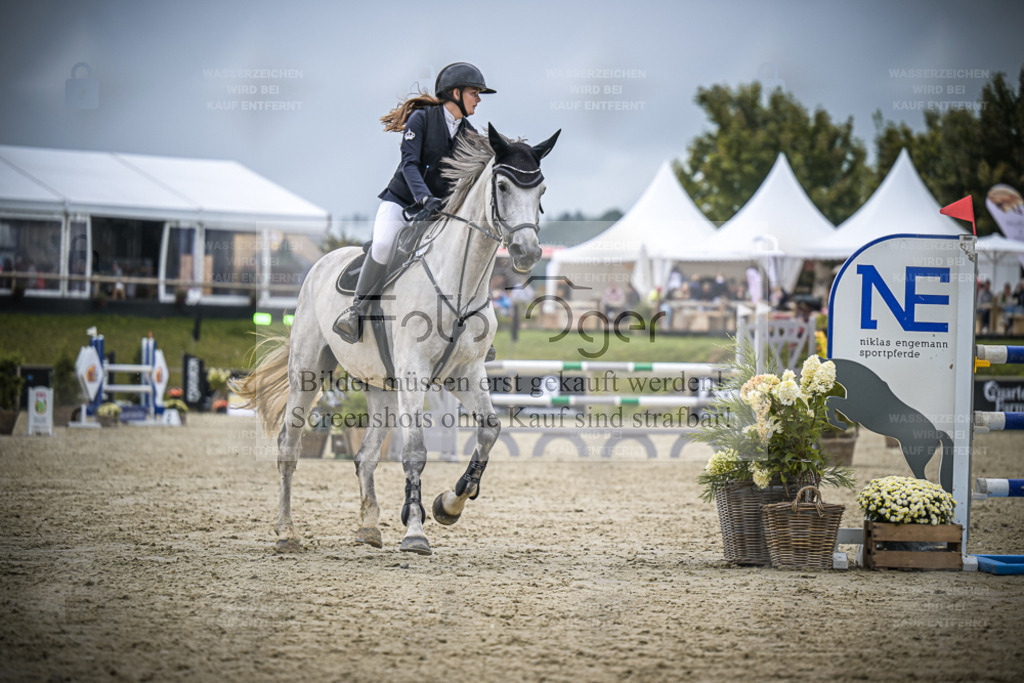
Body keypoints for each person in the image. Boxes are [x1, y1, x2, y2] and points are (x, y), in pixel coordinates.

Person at [333, 62, 496, 343]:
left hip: (437, 212)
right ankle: (356, 310)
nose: (478, 98)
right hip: (402, 202)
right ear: (455, 93)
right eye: (474, 92)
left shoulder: (469, 134)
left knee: (461, 254)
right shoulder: (421, 119)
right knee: (384, 246)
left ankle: (472, 330)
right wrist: (423, 197)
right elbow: (410, 164)